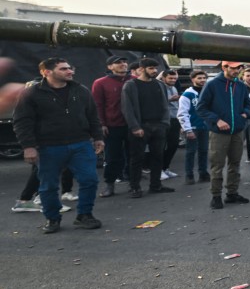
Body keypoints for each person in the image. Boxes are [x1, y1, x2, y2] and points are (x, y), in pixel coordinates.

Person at [12, 57, 104, 234]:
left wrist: (98, 137)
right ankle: (52, 218)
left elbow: (92, 115)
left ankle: (84, 215)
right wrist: (28, 146)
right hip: (49, 147)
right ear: (46, 72)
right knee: (48, 186)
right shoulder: (32, 93)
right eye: (63, 69)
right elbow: (22, 122)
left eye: (70, 68)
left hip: (81, 144)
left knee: (90, 180)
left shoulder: (80, 90)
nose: (70, 71)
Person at [197, 61, 250, 210]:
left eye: (239, 68)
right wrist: (217, 120)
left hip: (237, 131)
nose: (237, 71)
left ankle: (232, 193)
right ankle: (216, 196)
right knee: (217, 165)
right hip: (219, 132)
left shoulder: (240, 86)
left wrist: (245, 114)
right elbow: (201, 108)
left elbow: (248, 103)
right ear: (224, 67)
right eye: (233, 68)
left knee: (235, 164)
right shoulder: (212, 84)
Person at [121, 58, 175, 198]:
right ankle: (135, 187)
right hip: (140, 126)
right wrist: (134, 127)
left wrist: (165, 123)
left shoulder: (159, 84)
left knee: (158, 156)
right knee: (137, 158)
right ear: (141, 69)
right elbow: (127, 108)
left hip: (159, 125)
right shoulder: (131, 85)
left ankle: (155, 185)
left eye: (155, 68)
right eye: (151, 68)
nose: (154, 71)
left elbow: (164, 105)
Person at [92, 54, 131, 198]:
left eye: (125, 62)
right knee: (112, 157)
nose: (123, 64)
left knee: (133, 155)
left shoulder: (134, 81)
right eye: (118, 62)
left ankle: (133, 183)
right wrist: (101, 124)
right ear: (110, 67)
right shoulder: (101, 83)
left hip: (132, 125)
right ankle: (110, 184)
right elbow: (97, 105)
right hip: (112, 125)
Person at [178, 70, 210, 185]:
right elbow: (182, 113)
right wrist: (188, 129)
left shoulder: (207, 93)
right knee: (191, 152)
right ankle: (189, 175)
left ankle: (203, 173)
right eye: (199, 78)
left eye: (204, 78)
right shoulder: (187, 95)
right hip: (193, 127)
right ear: (193, 79)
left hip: (205, 127)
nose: (202, 80)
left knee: (204, 151)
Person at [159, 68, 182, 179]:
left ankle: (165, 168)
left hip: (174, 119)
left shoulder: (174, 88)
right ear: (164, 78)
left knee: (173, 145)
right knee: (161, 146)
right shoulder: (159, 87)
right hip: (163, 120)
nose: (173, 80)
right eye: (170, 78)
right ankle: (159, 170)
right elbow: (155, 102)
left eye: (175, 78)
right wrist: (169, 100)